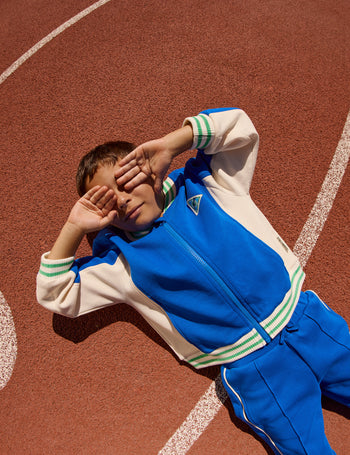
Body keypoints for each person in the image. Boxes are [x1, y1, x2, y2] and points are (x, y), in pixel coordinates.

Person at [37, 107, 350, 454]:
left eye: (126, 183)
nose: (123, 201)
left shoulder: (207, 181)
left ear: (147, 168)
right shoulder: (119, 261)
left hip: (308, 323)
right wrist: (74, 226)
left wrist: (172, 144)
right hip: (257, 373)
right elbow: (55, 292)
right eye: (107, 201)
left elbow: (238, 127)